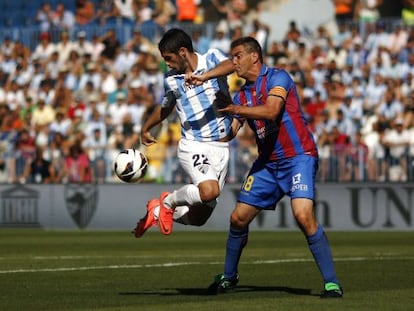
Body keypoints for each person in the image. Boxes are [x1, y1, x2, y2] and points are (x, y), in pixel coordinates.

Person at [193, 36, 343, 298]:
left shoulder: (278, 78)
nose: (234, 61)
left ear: (254, 56)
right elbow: (231, 133)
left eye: (237, 55)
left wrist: (235, 107)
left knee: (303, 215)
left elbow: (272, 111)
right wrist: (204, 138)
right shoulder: (241, 93)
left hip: (298, 157)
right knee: (238, 218)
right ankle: (229, 276)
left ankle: (332, 283)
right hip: (268, 163)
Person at [132, 28, 237, 237]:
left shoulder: (212, 58)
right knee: (210, 191)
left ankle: (156, 210)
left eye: (168, 58)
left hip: (222, 148)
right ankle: (167, 202)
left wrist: (204, 77)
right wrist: (146, 127)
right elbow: (165, 106)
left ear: (182, 51)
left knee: (198, 219)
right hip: (194, 144)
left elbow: (232, 65)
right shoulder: (171, 79)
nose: (167, 64)